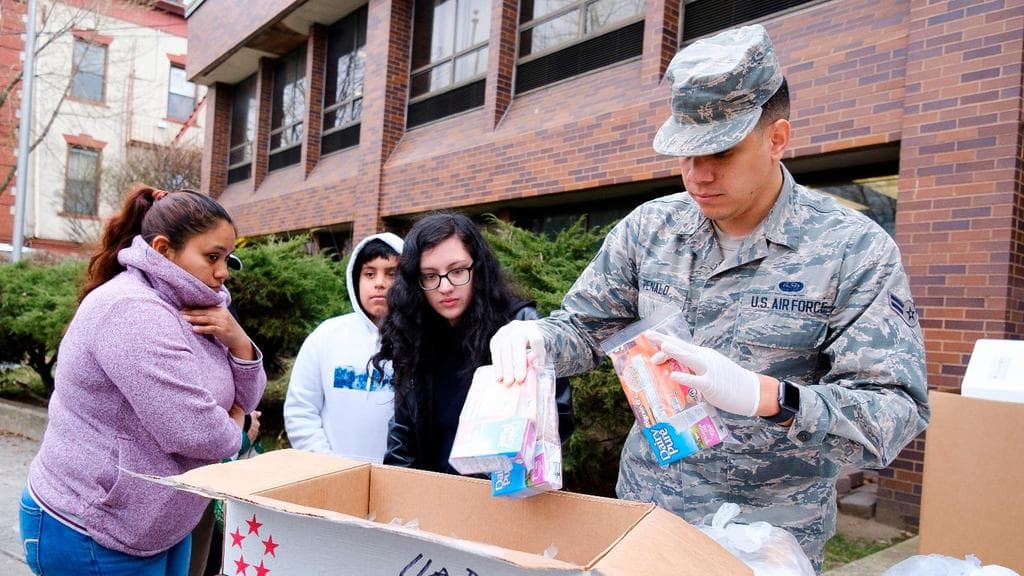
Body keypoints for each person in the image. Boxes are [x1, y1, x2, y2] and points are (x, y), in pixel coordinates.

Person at [489, 24, 929, 570]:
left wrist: (769, 397)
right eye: (684, 153)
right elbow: (585, 328)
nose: (697, 174)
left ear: (776, 138)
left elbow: (894, 411)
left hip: (771, 535)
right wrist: (537, 338)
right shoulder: (651, 230)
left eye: (719, 151)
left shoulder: (851, 249)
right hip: (651, 515)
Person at [19, 185, 267, 576]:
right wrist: (238, 431)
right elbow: (195, 432)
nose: (222, 271)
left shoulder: (200, 304)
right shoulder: (133, 312)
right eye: (212, 257)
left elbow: (246, 397)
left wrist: (238, 341)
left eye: (227, 258)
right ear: (163, 249)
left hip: (159, 524)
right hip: (94, 528)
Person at [372, 213, 573, 473]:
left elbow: (557, 417)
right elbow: (402, 434)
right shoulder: (415, 334)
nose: (445, 287)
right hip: (432, 494)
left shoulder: (519, 326)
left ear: (478, 268)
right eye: (430, 276)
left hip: (504, 496)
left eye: (457, 271)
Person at [284, 233, 404, 461]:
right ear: (355, 279)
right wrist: (326, 465)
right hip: (330, 475)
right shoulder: (327, 335)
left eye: (392, 274)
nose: (379, 283)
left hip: (397, 479)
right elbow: (301, 409)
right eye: (369, 274)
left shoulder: (420, 342)